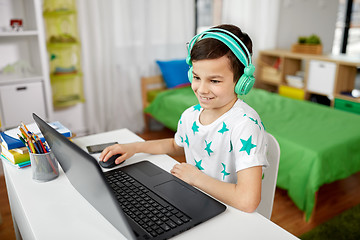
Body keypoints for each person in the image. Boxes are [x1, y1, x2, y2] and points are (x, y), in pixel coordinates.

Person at [99, 24, 268, 213]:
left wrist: (196, 178)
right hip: (195, 200)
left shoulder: (245, 124)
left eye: (214, 81)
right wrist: (134, 147)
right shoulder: (191, 115)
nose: (202, 89)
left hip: (231, 213)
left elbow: (248, 201)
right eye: (196, 77)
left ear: (242, 82)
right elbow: (176, 145)